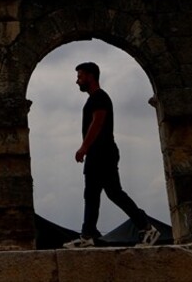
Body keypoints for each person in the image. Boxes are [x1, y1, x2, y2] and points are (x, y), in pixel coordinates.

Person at [63, 61, 162, 248]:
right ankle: (88, 235)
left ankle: (146, 227)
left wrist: (83, 147)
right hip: (99, 153)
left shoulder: (100, 97)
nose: (77, 81)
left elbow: (98, 122)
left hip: (102, 153)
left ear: (90, 76)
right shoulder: (94, 98)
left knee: (111, 193)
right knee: (95, 194)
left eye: (80, 76)